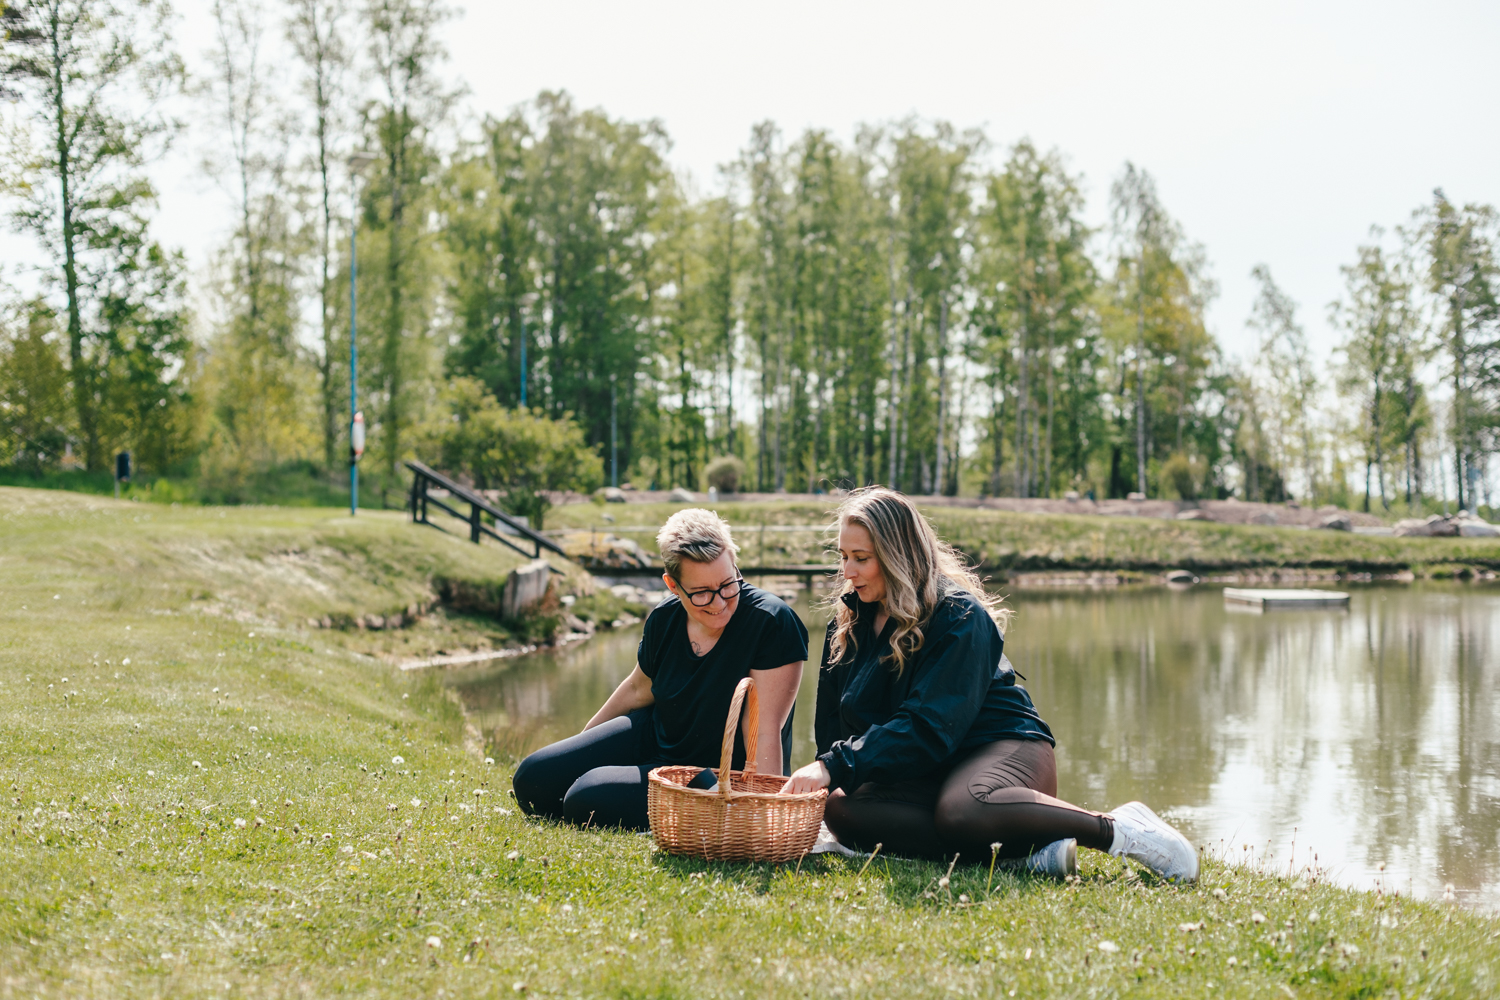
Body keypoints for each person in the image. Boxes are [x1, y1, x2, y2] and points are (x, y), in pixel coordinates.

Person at [782, 487, 1197, 881]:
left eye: (861, 558)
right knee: (840, 810)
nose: (847, 572)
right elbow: (834, 723)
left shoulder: (959, 616)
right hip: (929, 769)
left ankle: (1118, 829)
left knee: (962, 811)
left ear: (896, 557)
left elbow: (927, 727)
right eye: (844, 557)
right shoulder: (850, 620)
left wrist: (834, 766)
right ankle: (1023, 856)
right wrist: (827, 774)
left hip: (1002, 751)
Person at [513, 508, 808, 829]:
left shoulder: (772, 622)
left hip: (711, 776)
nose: (720, 602)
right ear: (673, 585)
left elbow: (765, 731)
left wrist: (762, 815)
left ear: (735, 564)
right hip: (654, 738)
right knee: (534, 779)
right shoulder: (664, 617)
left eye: (727, 584)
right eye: (702, 593)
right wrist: (583, 747)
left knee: (585, 797)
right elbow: (638, 688)